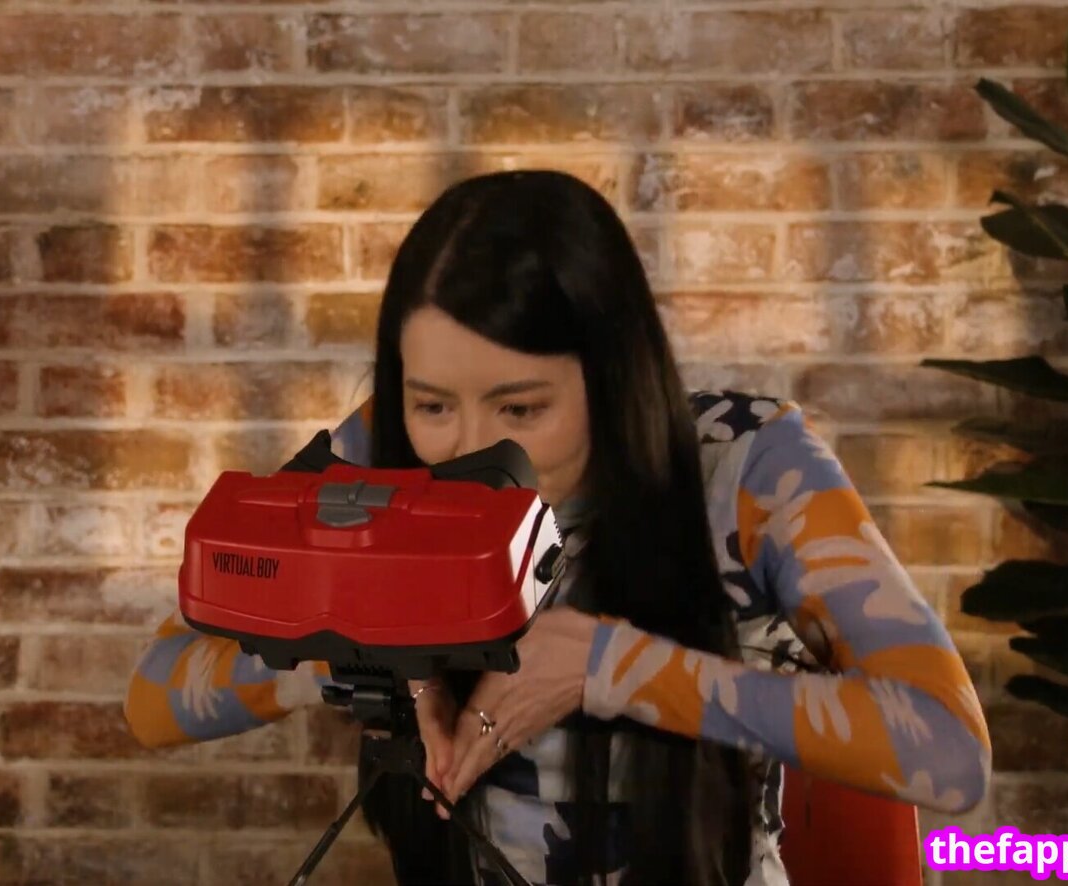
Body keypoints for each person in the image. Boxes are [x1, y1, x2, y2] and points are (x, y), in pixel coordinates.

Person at [122, 170, 990, 885]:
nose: (469, 450)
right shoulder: (377, 457)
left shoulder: (750, 467)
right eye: (433, 405)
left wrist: (615, 669)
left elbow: (950, 751)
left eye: (521, 408)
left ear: (612, 378)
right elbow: (155, 695)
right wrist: (356, 651)